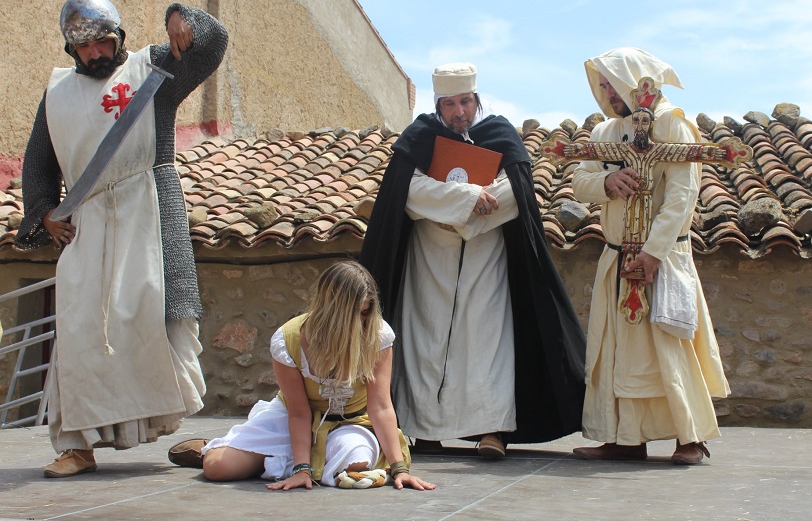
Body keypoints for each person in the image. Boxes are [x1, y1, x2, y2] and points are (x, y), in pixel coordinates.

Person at [15, 0, 228, 477]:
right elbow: (39, 166)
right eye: (85, 46)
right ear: (72, 48)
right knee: (78, 334)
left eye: (103, 42)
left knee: (158, 320)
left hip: (148, 209)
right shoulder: (57, 95)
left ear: (119, 37)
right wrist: (45, 213)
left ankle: (155, 424)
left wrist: (183, 18)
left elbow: (212, 45)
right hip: (87, 225)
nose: (96, 53)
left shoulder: (152, 69)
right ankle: (76, 446)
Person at [359, 62, 585, 458]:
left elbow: (518, 192)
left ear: (476, 100)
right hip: (429, 259)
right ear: (438, 105)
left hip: (485, 257)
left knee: (486, 342)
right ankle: (424, 428)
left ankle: (492, 430)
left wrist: (468, 220)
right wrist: (465, 200)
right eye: (449, 104)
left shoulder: (499, 134)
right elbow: (406, 190)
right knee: (425, 342)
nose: (459, 111)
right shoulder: (420, 137)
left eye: (465, 101)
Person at [570, 47, 730, 465]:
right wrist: (608, 180)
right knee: (616, 351)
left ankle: (689, 438)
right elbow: (579, 180)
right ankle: (623, 438)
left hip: (661, 259)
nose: (606, 93)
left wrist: (655, 253)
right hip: (617, 257)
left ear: (632, 80)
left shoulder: (673, 126)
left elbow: (682, 196)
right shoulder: (606, 133)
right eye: (601, 85)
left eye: (611, 83)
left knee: (668, 346)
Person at [168, 261, 435, 491]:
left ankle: (271, 459)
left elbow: (380, 405)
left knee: (357, 463)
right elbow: (298, 413)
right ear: (331, 311)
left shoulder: (378, 335)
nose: (360, 322)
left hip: (351, 421)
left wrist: (400, 469)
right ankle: (222, 450)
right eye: (352, 314)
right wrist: (302, 469)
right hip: (294, 418)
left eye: (365, 313)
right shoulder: (288, 340)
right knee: (218, 469)